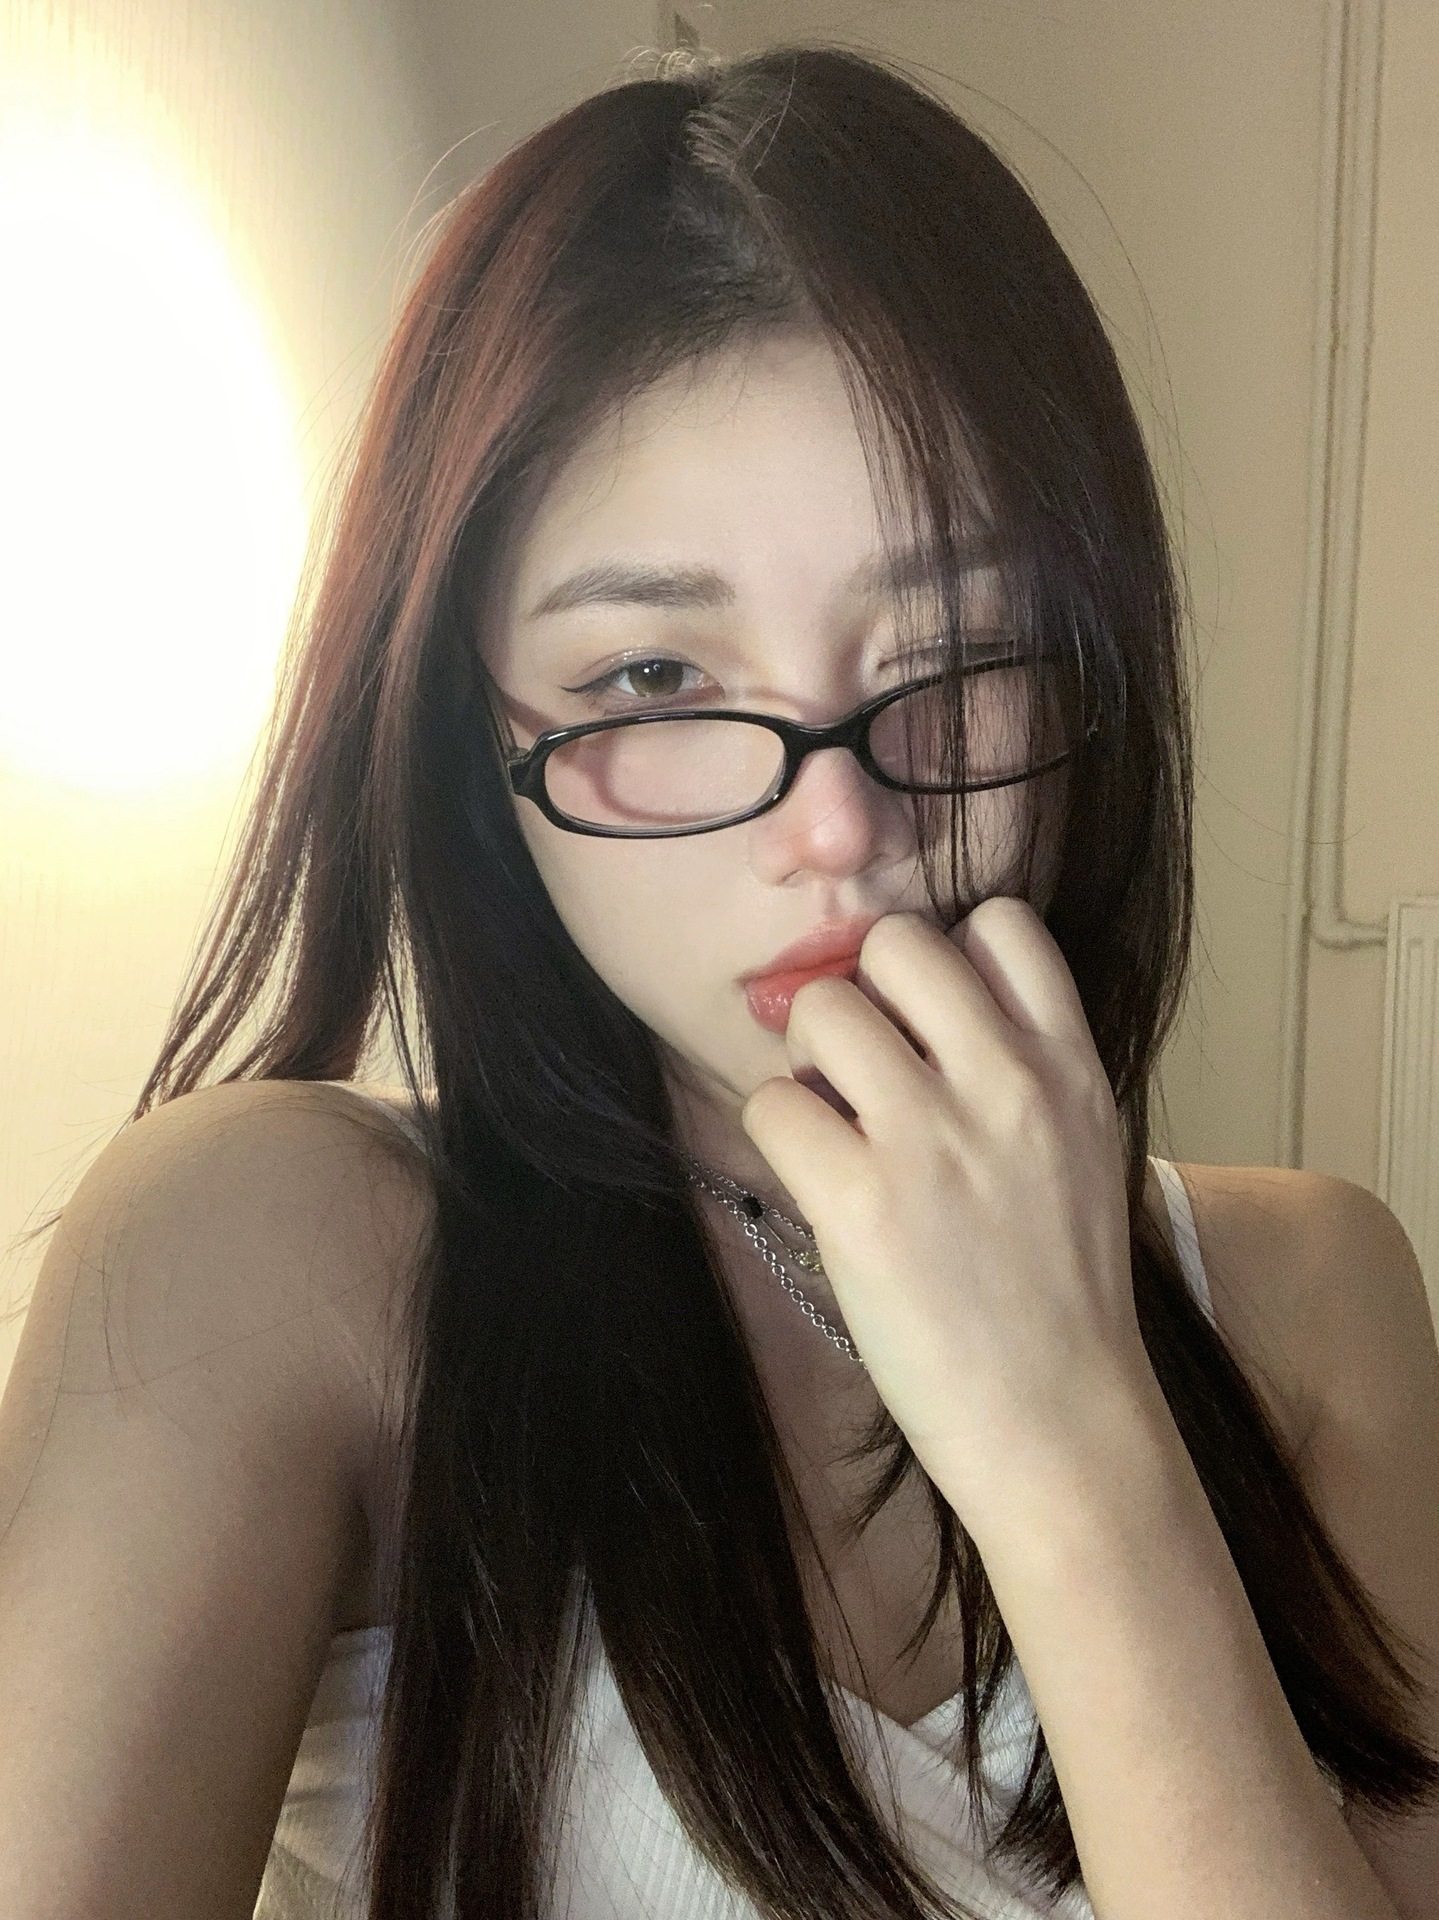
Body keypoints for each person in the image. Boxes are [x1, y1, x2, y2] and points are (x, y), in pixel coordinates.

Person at [2, 40, 1437, 1920]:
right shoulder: (274, 1252)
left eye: (959, 650)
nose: (838, 825)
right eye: (654, 680)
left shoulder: (1311, 1296)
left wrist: (1073, 1439)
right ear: (472, 739)